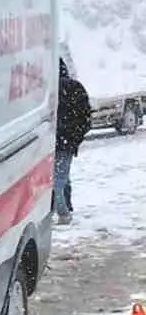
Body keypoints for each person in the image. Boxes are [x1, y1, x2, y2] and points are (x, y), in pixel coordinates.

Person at [55, 57, 92, 225]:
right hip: (66, 143)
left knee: (57, 181)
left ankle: (63, 214)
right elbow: (86, 118)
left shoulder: (48, 90)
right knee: (63, 177)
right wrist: (75, 138)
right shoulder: (75, 87)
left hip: (54, 142)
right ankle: (67, 207)